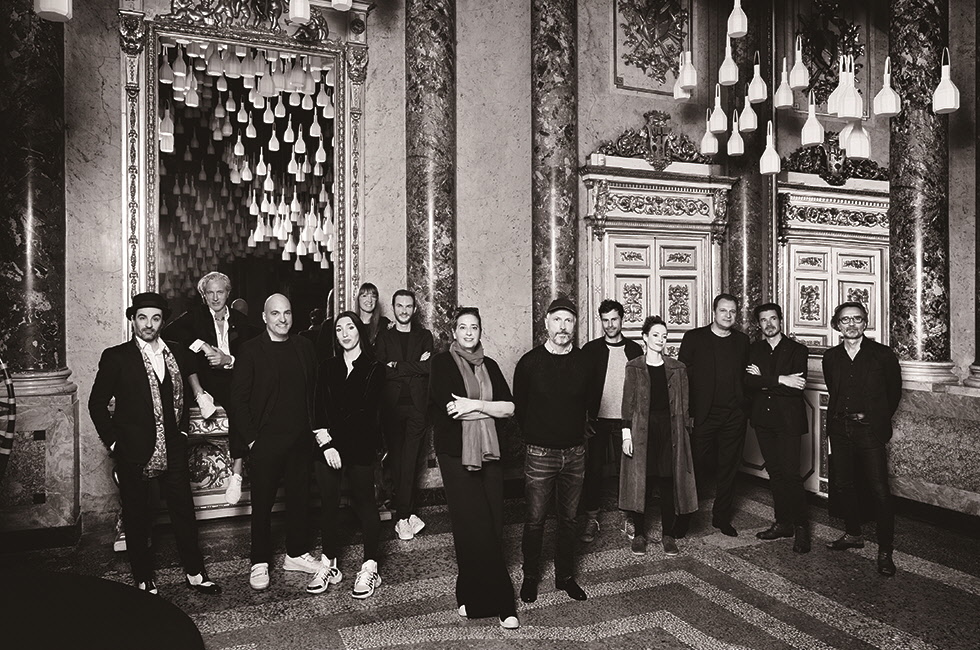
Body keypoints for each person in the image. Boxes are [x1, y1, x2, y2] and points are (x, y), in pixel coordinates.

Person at [88, 292, 221, 596]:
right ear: (133, 320)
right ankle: (143, 577)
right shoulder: (116, 356)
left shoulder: (177, 353)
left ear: (162, 321)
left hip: (173, 445)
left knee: (183, 511)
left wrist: (183, 433)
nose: (149, 324)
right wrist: (114, 444)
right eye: (143, 317)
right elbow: (96, 404)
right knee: (137, 515)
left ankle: (195, 572)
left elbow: (187, 393)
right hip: (133, 448)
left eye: (156, 318)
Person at [429, 308, 519, 629]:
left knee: (493, 523)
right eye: (463, 327)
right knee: (471, 525)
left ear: (481, 331)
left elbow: (510, 408)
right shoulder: (441, 363)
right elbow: (451, 410)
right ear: (454, 332)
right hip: (455, 453)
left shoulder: (490, 365)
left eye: (475, 327)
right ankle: (503, 601)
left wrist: (476, 404)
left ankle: (466, 590)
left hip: (490, 453)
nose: (469, 332)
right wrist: (489, 409)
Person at [230, 293, 322, 590]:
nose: (282, 319)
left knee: (299, 500)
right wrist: (252, 441)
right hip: (265, 442)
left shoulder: (304, 346)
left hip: (300, 440)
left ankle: (295, 554)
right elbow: (238, 400)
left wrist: (315, 432)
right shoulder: (250, 350)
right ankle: (259, 561)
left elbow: (315, 392)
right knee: (262, 504)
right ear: (264, 317)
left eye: (287, 313)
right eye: (275, 313)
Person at [513, 296, 590, 604]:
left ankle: (565, 577)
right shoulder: (529, 363)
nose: (563, 326)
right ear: (546, 323)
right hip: (540, 453)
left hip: (575, 453)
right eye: (557, 319)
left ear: (575, 325)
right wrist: (538, 436)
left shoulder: (584, 362)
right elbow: (520, 408)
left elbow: (590, 403)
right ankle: (530, 576)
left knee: (569, 520)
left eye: (568, 320)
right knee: (535, 520)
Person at [307, 312, 385, 599]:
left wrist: (336, 441)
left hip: (359, 447)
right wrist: (326, 444)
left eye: (350, 327)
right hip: (327, 448)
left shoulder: (375, 369)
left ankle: (370, 567)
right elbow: (317, 407)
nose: (345, 333)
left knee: (365, 504)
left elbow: (366, 414)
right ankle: (329, 565)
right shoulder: (327, 367)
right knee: (328, 505)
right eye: (339, 329)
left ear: (359, 331)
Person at [822, 301, 903, 576]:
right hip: (839, 428)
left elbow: (894, 393)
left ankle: (885, 550)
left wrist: (875, 419)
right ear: (837, 325)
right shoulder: (831, 357)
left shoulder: (882, 355)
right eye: (845, 320)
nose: (852, 324)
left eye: (857, 319)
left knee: (879, 490)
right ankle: (853, 534)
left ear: (865, 323)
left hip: (869, 429)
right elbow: (834, 390)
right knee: (844, 484)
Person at [164, 271, 251, 505]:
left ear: (228, 293)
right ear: (203, 295)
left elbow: (254, 355)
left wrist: (228, 359)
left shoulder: (241, 321)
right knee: (185, 350)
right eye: (210, 293)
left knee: (239, 407)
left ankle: (236, 474)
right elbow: (168, 333)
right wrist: (202, 345)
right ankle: (200, 395)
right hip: (203, 376)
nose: (215, 298)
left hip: (233, 378)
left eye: (219, 292)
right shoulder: (196, 316)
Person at [620, 316, 698, 556]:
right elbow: (628, 403)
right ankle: (639, 534)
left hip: (670, 430)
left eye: (664, 336)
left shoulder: (677, 368)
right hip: (642, 429)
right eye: (655, 335)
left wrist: (685, 435)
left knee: (667, 482)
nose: (660, 340)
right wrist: (626, 435)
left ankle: (668, 535)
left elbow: (685, 406)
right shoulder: (634, 366)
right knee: (641, 482)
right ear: (645, 337)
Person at [678, 293, 750, 537]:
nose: (728, 315)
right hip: (703, 415)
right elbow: (683, 377)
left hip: (734, 416)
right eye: (723, 310)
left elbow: (747, 375)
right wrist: (687, 413)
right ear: (714, 311)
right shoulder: (694, 338)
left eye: (732, 311)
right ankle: (684, 518)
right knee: (693, 467)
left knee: (729, 469)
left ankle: (722, 518)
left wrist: (744, 406)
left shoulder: (742, 341)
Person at [745, 303, 811, 553]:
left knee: (791, 474)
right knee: (775, 472)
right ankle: (783, 523)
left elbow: (797, 387)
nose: (769, 324)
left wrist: (763, 380)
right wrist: (781, 379)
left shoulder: (797, 350)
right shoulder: (754, 350)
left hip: (788, 421)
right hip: (763, 420)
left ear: (780, 320)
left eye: (773, 318)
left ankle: (802, 528)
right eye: (764, 320)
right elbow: (748, 382)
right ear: (759, 324)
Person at [580, 299, 643, 543]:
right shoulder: (591, 350)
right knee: (593, 470)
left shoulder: (634, 350)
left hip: (626, 421)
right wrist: (584, 418)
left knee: (626, 471)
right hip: (597, 420)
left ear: (622, 320)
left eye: (614, 319)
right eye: (605, 320)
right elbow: (582, 387)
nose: (609, 325)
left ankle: (628, 517)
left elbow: (642, 388)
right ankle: (591, 518)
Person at [374, 289, 433, 540]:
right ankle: (405, 516)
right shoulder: (384, 337)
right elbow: (380, 371)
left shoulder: (424, 336)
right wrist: (414, 367)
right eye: (400, 306)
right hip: (392, 407)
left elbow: (429, 367)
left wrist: (397, 365)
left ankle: (403, 516)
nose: (404, 310)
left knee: (411, 461)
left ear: (414, 309)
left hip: (418, 408)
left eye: (409, 306)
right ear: (394, 307)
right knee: (397, 461)